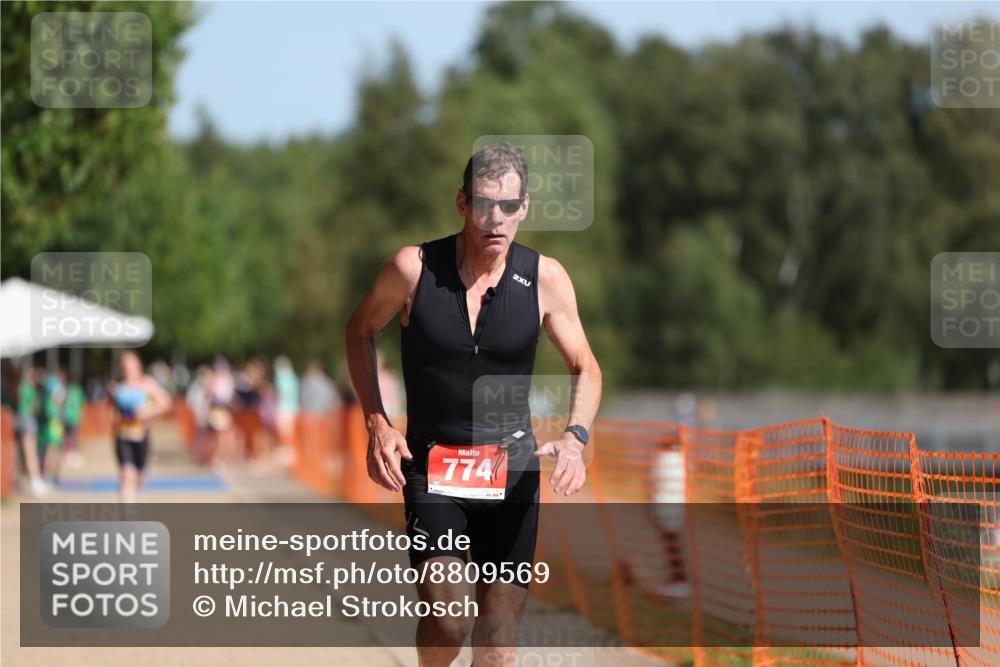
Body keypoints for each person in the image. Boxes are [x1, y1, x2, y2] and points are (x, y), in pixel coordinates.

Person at [346, 142, 602, 666]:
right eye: (485, 203)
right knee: (448, 617)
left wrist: (576, 438)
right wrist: (378, 422)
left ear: (524, 207)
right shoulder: (413, 269)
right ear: (462, 203)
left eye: (509, 206)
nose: (497, 218)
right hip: (434, 467)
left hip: (512, 473)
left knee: (497, 639)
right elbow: (359, 331)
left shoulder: (545, 278)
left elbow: (587, 366)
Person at [111, 351, 172, 503]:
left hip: (142, 435)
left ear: (138, 364)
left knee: (139, 477)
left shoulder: (147, 383)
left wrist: (147, 413)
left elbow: (166, 403)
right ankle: (127, 519)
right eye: (124, 365)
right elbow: (111, 410)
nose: (127, 368)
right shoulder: (117, 386)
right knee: (127, 475)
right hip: (122, 436)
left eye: (130, 364)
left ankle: (133, 501)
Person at [15, 366, 47, 496]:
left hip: (21, 418)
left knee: (24, 452)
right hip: (28, 420)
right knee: (31, 451)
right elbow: (35, 406)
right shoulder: (30, 388)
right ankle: (35, 480)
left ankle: (29, 479)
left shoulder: (21, 386)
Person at [61, 373, 87, 469]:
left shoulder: (67, 390)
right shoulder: (78, 391)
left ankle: (68, 454)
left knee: (68, 436)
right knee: (73, 436)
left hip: (67, 416)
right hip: (74, 417)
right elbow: (82, 403)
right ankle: (71, 455)